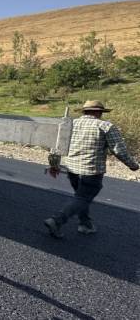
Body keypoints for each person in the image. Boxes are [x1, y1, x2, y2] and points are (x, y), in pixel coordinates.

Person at [44, 100, 138, 238]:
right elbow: (119, 150)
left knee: (80, 197)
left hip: (72, 168)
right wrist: (133, 165)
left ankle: (85, 224)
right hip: (91, 170)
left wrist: (54, 165)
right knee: (83, 198)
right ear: (99, 112)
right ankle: (57, 220)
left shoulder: (70, 124)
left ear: (84, 111)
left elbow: (56, 146)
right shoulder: (105, 126)